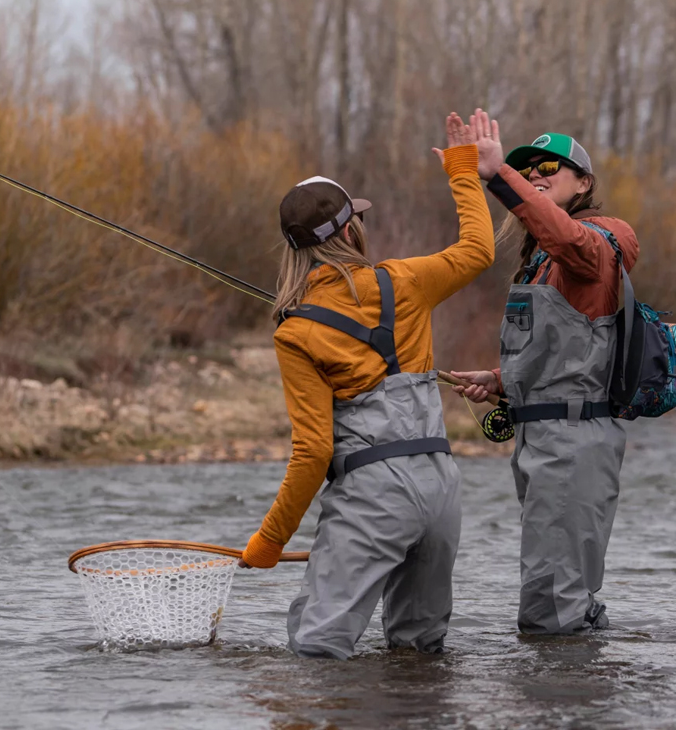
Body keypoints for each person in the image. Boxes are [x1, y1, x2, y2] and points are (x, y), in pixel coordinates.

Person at [240, 110, 496, 659]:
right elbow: (479, 249)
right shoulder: (405, 280)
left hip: (374, 499)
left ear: (296, 249)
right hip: (441, 487)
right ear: (353, 229)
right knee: (418, 654)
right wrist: (461, 170)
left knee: (316, 650)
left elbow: (313, 453)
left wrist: (270, 541)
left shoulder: (296, 333)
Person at [452, 119, 639, 634]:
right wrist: (501, 380)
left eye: (550, 166)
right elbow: (566, 354)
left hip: (574, 439)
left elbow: (565, 234)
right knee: (555, 596)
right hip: (543, 439)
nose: (536, 172)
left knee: (549, 611)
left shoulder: (601, 239)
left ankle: (562, 707)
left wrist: (497, 176)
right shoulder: (540, 258)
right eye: (526, 167)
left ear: (584, 183)